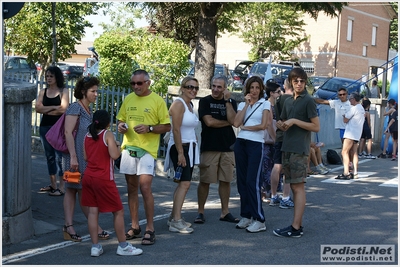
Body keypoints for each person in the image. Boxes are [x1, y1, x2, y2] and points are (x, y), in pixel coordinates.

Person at [117, 69, 171, 245]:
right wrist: (121, 126)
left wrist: (149, 128)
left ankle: (150, 228)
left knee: (145, 187)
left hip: (147, 150)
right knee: (131, 189)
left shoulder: (157, 101)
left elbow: (167, 126)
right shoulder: (128, 98)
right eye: (133, 83)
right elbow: (120, 120)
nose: (136, 86)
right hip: (129, 148)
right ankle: (135, 226)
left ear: (148, 82)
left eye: (139, 83)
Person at [82, 110, 143, 257]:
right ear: (108, 123)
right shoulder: (107, 134)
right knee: (118, 211)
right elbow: (115, 155)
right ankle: (123, 245)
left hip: (89, 176)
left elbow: (85, 157)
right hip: (104, 178)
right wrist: (117, 145)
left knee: (92, 212)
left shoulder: (87, 135)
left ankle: (95, 246)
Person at [273, 68, 320, 238]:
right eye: (295, 81)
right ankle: (295, 225)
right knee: (292, 186)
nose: (299, 84)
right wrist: (281, 124)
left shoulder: (308, 101)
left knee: (298, 187)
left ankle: (296, 227)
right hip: (287, 147)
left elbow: (316, 126)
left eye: (302, 81)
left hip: (300, 149)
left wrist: (294, 121)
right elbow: (284, 121)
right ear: (291, 82)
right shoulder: (288, 101)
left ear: (305, 82)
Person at [63, 76, 109, 242]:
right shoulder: (75, 108)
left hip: (83, 157)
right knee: (74, 188)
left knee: (79, 189)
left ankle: (75, 226)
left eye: (96, 91)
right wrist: (74, 157)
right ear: (83, 92)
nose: (96, 94)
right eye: (93, 91)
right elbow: (68, 133)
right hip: (74, 156)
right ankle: (73, 226)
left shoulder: (88, 110)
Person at [195, 75, 239, 224]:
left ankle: (225, 212)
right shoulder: (205, 101)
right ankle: (200, 212)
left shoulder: (231, 102)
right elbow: (209, 122)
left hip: (228, 147)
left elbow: (234, 121)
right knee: (205, 180)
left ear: (225, 88)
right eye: (214, 86)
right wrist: (228, 122)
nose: (215, 89)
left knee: (225, 180)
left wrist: (227, 102)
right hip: (210, 146)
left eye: (219, 87)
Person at [233, 75, 271, 233]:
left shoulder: (265, 103)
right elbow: (236, 123)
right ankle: (246, 215)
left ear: (261, 89)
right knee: (241, 181)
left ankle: (259, 219)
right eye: (252, 87)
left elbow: (263, 125)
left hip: (255, 144)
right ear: (247, 89)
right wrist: (246, 106)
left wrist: (246, 128)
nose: (254, 91)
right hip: (240, 143)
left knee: (252, 182)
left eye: (257, 88)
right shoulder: (243, 104)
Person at [164, 77, 200, 233]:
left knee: (183, 184)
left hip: (189, 147)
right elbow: (176, 129)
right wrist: (180, 153)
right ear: (183, 88)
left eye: (196, 88)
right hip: (180, 147)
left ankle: (174, 217)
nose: (193, 90)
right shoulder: (178, 104)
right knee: (185, 184)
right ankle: (176, 221)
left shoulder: (189, 104)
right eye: (190, 87)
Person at [36, 66, 69, 196]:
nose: (48, 78)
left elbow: (63, 109)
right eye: (47, 76)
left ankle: (62, 187)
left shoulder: (63, 91)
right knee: (49, 157)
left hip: (59, 128)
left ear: (57, 77)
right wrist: (55, 106)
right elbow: (38, 109)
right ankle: (53, 185)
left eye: (51, 76)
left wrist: (47, 108)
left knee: (60, 157)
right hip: (45, 127)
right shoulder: (43, 92)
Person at [269, 78, 294, 209]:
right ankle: (285, 196)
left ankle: (273, 195)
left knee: (277, 165)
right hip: (289, 136)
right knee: (287, 167)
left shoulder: (278, 99)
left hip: (279, 135)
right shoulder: (292, 100)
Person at [335, 92, 365, 180]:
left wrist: (344, 115)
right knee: (354, 153)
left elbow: (345, 120)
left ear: (354, 99)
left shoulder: (354, 108)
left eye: (351, 98)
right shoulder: (361, 108)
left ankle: (346, 172)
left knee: (344, 152)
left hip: (350, 133)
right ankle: (355, 172)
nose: (349, 100)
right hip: (357, 133)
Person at [261, 80, 279, 203]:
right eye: (278, 92)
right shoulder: (268, 105)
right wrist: (275, 139)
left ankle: (270, 192)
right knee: (266, 167)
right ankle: (265, 192)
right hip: (268, 140)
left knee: (271, 166)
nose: (280, 93)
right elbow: (269, 124)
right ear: (271, 93)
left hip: (270, 140)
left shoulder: (275, 106)